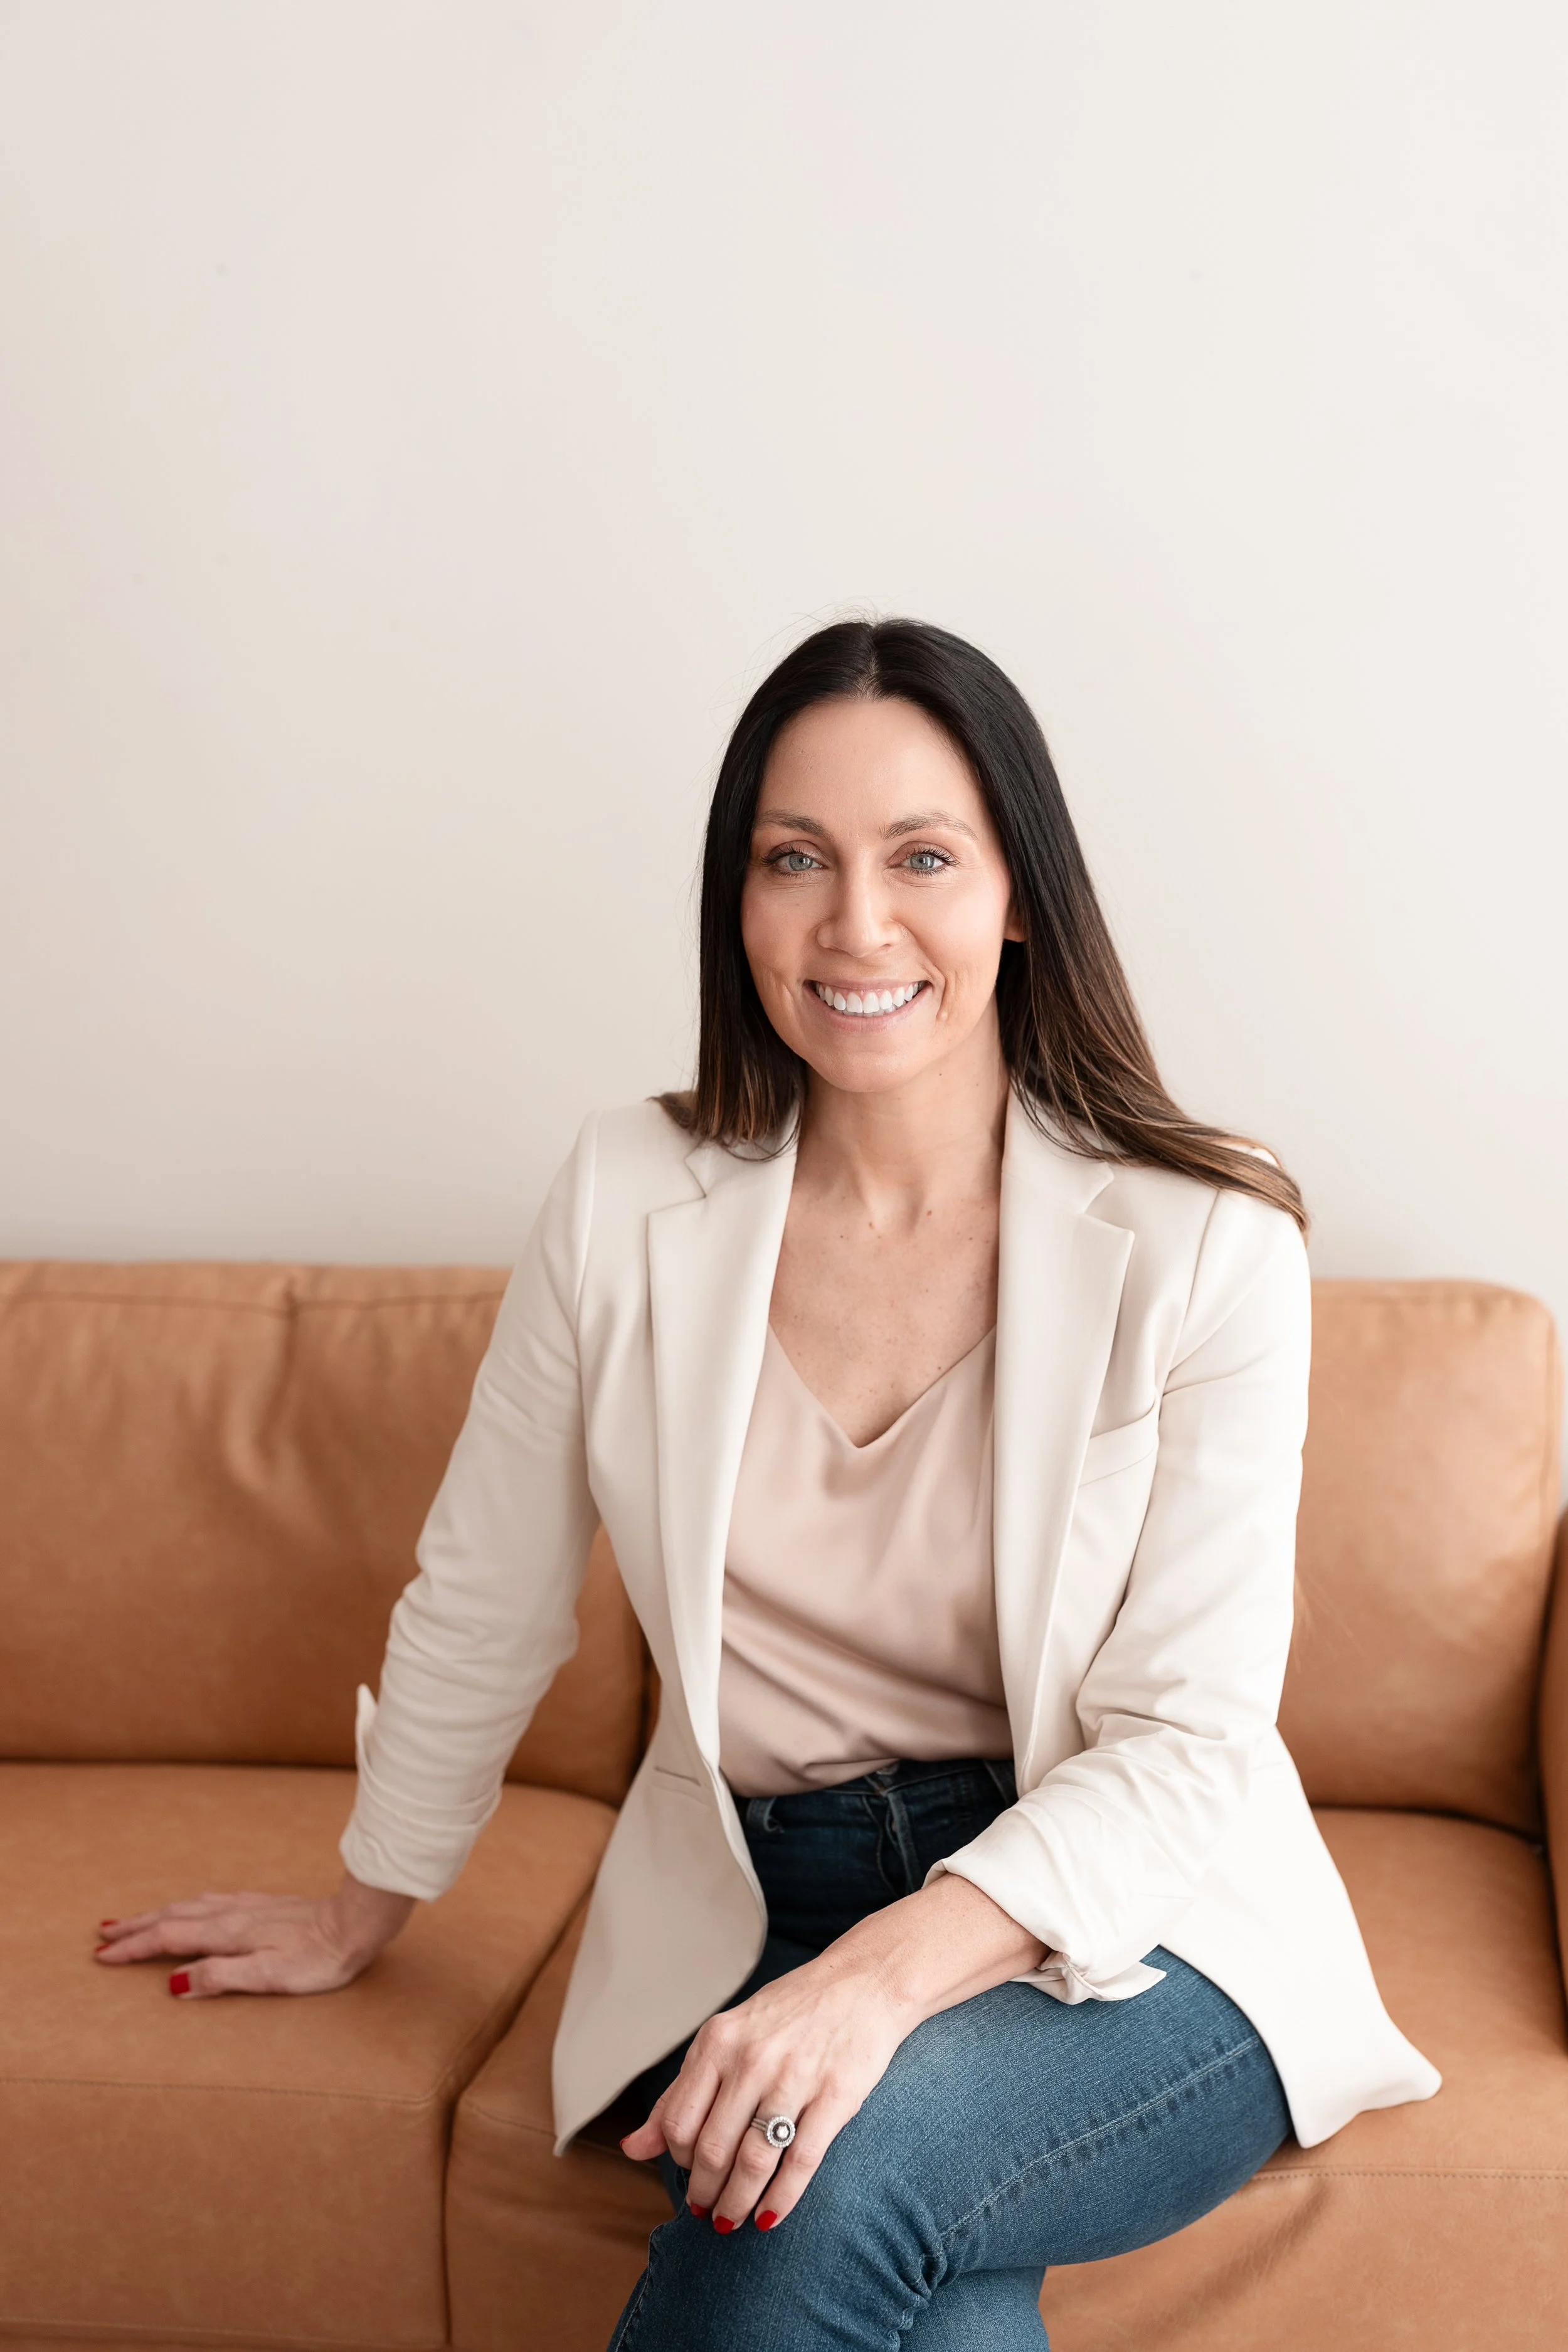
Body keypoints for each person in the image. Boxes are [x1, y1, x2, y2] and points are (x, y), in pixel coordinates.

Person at [93, 620, 1439, 2349]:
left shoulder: (1204, 1237)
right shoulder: (627, 1193)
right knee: (889, 2275)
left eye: (922, 858)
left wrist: (872, 1987)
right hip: (753, 1898)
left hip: (1130, 1928)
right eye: (792, 858)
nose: (853, 924)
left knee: (826, 2166)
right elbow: (487, 1582)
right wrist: (373, 1889)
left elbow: (1187, 1737)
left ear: (1020, 895)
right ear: (737, 903)